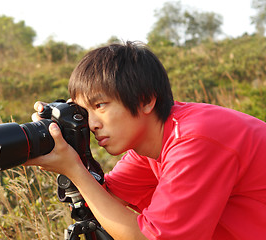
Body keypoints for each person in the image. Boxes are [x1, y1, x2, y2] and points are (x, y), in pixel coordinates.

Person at [25, 41, 266, 240]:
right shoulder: (150, 146)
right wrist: (68, 142)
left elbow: (151, 238)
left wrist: (75, 170)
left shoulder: (194, 139)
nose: (92, 123)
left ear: (146, 101)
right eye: (85, 112)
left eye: (100, 105)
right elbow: (104, 203)